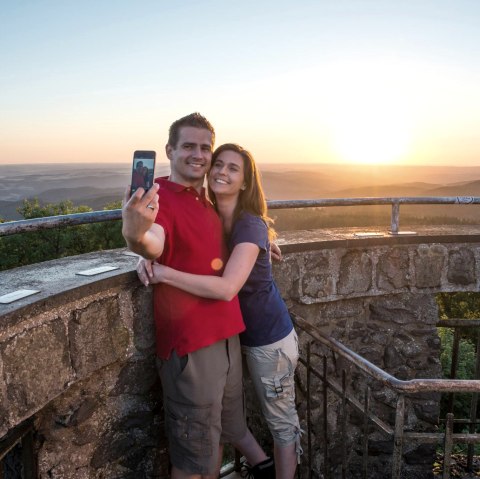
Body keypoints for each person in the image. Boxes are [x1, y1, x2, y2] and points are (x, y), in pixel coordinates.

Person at [122, 114, 274, 479]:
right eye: (189, 146)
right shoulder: (161, 197)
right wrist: (136, 234)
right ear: (170, 150)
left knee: (214, 441)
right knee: (192, 458)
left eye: (205, 147)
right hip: (191, 348)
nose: (199, 155)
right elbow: (152, 240)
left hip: (225, 338)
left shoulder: (206, 198)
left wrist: (265, 239)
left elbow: (235, 231)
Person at [138, 143, 302, 479]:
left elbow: (228, 288)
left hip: (270, 340)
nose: (222, 173)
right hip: (238, 335)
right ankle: (263, 466)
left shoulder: (248, 225)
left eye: (233, 169)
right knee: (230, 421)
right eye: (220, 165)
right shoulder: (214, 213)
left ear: (244, 182)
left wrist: (164, 273)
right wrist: (144, 250)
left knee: (281, 422)